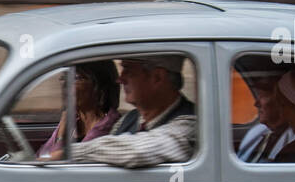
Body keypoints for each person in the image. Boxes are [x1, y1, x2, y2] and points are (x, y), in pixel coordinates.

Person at [42, 55, 196, 167]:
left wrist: (67, 153)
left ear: (157, 77)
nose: (120, 79)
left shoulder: (191, 123)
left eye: (128, 70)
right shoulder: (129, 119)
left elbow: (138, 151)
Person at [36, 60, 120, 158]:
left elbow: (55, 162)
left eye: (76, 78)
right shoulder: (73, 117)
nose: (65, 84)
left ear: (100, 86)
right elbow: (42, 155)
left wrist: (61, 137)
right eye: (64, 77)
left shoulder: (107, 126)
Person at [237, 75, 294, 162]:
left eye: (263, 96)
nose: (256, 104)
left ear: (282, 100)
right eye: (258, 96)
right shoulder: (256, 132)